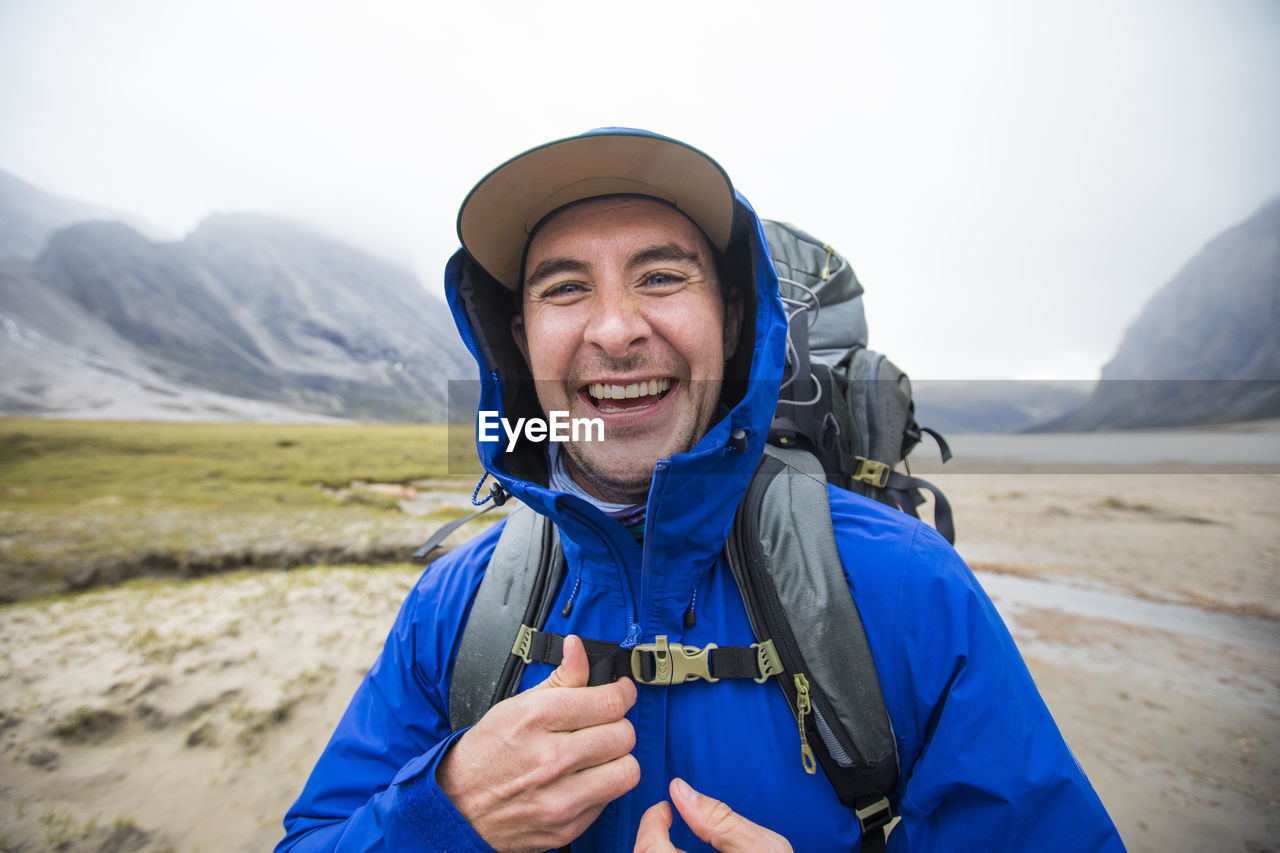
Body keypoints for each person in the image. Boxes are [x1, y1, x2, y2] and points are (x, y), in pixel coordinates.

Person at [276, 129, 1124, 852]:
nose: (614, 329)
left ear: (733, 315)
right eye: (566, 288)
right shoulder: (453, 608)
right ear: (519, 339)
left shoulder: (908, 586)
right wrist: (446, 809)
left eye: (660, 277)